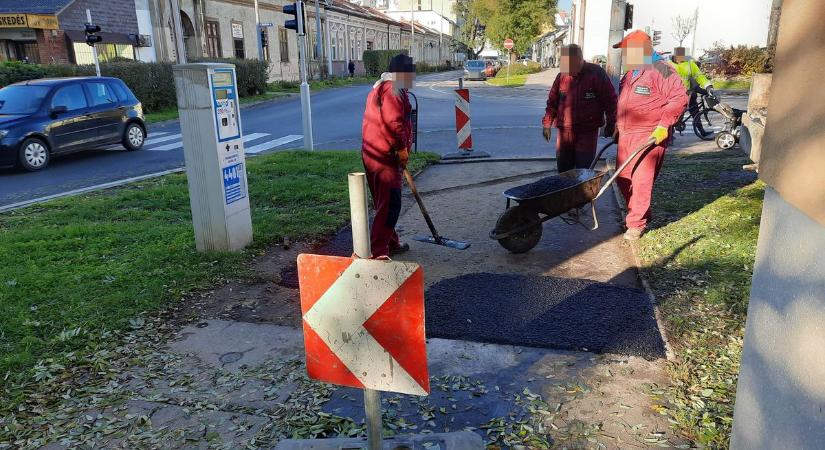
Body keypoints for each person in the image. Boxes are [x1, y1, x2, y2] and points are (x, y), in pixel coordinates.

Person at [613, 30, 688, 240]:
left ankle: (636, 223)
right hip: (627, 134)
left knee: (641, 180)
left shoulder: (662, 69)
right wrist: (618, 125)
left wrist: (664, 126)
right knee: (623, 177)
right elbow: (625, 102)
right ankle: (639, 211)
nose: (625, 56)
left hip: (649, 135)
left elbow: (679, 98)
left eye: (628, 51)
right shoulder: (631, 73)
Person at [361, 54, 416, 257]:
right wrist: (401, 149)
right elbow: (394, 123)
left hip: (373, 153)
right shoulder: (393, 91)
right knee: (390, 205)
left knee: (384, 203)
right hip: (385, 157)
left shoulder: (380, 88)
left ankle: (391, 243)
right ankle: (378, 251)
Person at [542, 44, 617, 173]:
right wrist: (547, 124)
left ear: (580, 60)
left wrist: (612, 126)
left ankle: (580, 192)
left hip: (587, 132)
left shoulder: (596, 74)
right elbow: (552, 102)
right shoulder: (561, 77)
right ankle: (565, 192)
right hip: (565, 131)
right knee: (564, 170)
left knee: (583, 170)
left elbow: (610, 101)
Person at [670, 47, 715, 136]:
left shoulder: (690, 64)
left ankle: (702, 132)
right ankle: (670, 134)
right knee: (672, 115)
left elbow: (699, 76)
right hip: (673, 96)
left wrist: (708, 86)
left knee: (695, 113)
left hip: (689, 94)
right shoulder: (668, 64)